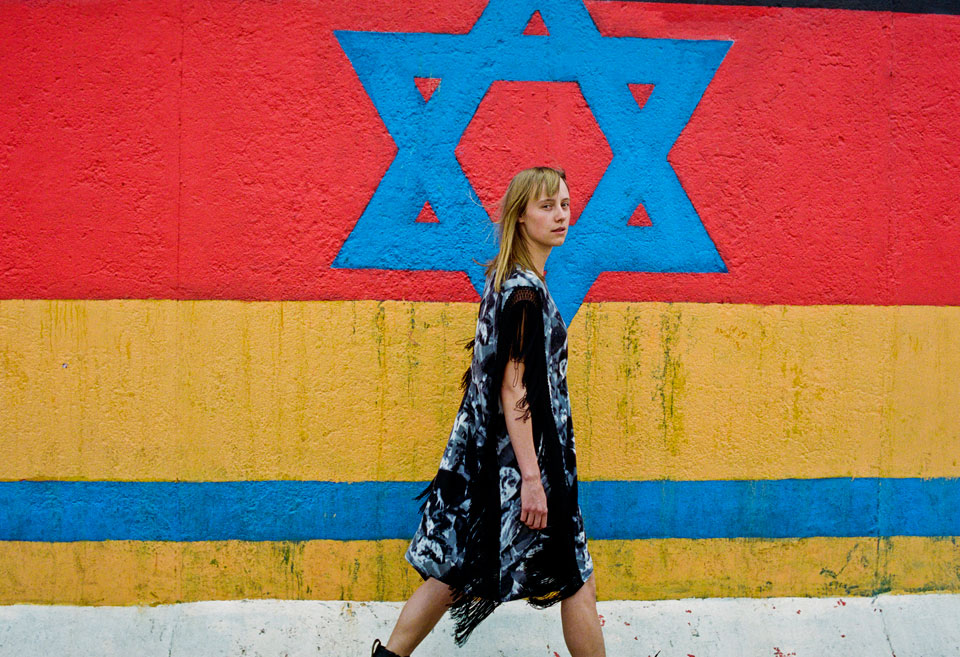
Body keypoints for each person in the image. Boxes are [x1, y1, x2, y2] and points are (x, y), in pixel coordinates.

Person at [370, 167, 605, 657]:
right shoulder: (524, 295)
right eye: (547, 206)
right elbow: (514, 388)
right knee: (575, 574)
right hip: (519, 466)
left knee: (452, 569)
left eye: (564, 204)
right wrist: (533, 480)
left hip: (482, 464)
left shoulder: (509, 283)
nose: (561, 216)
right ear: (520, 216)